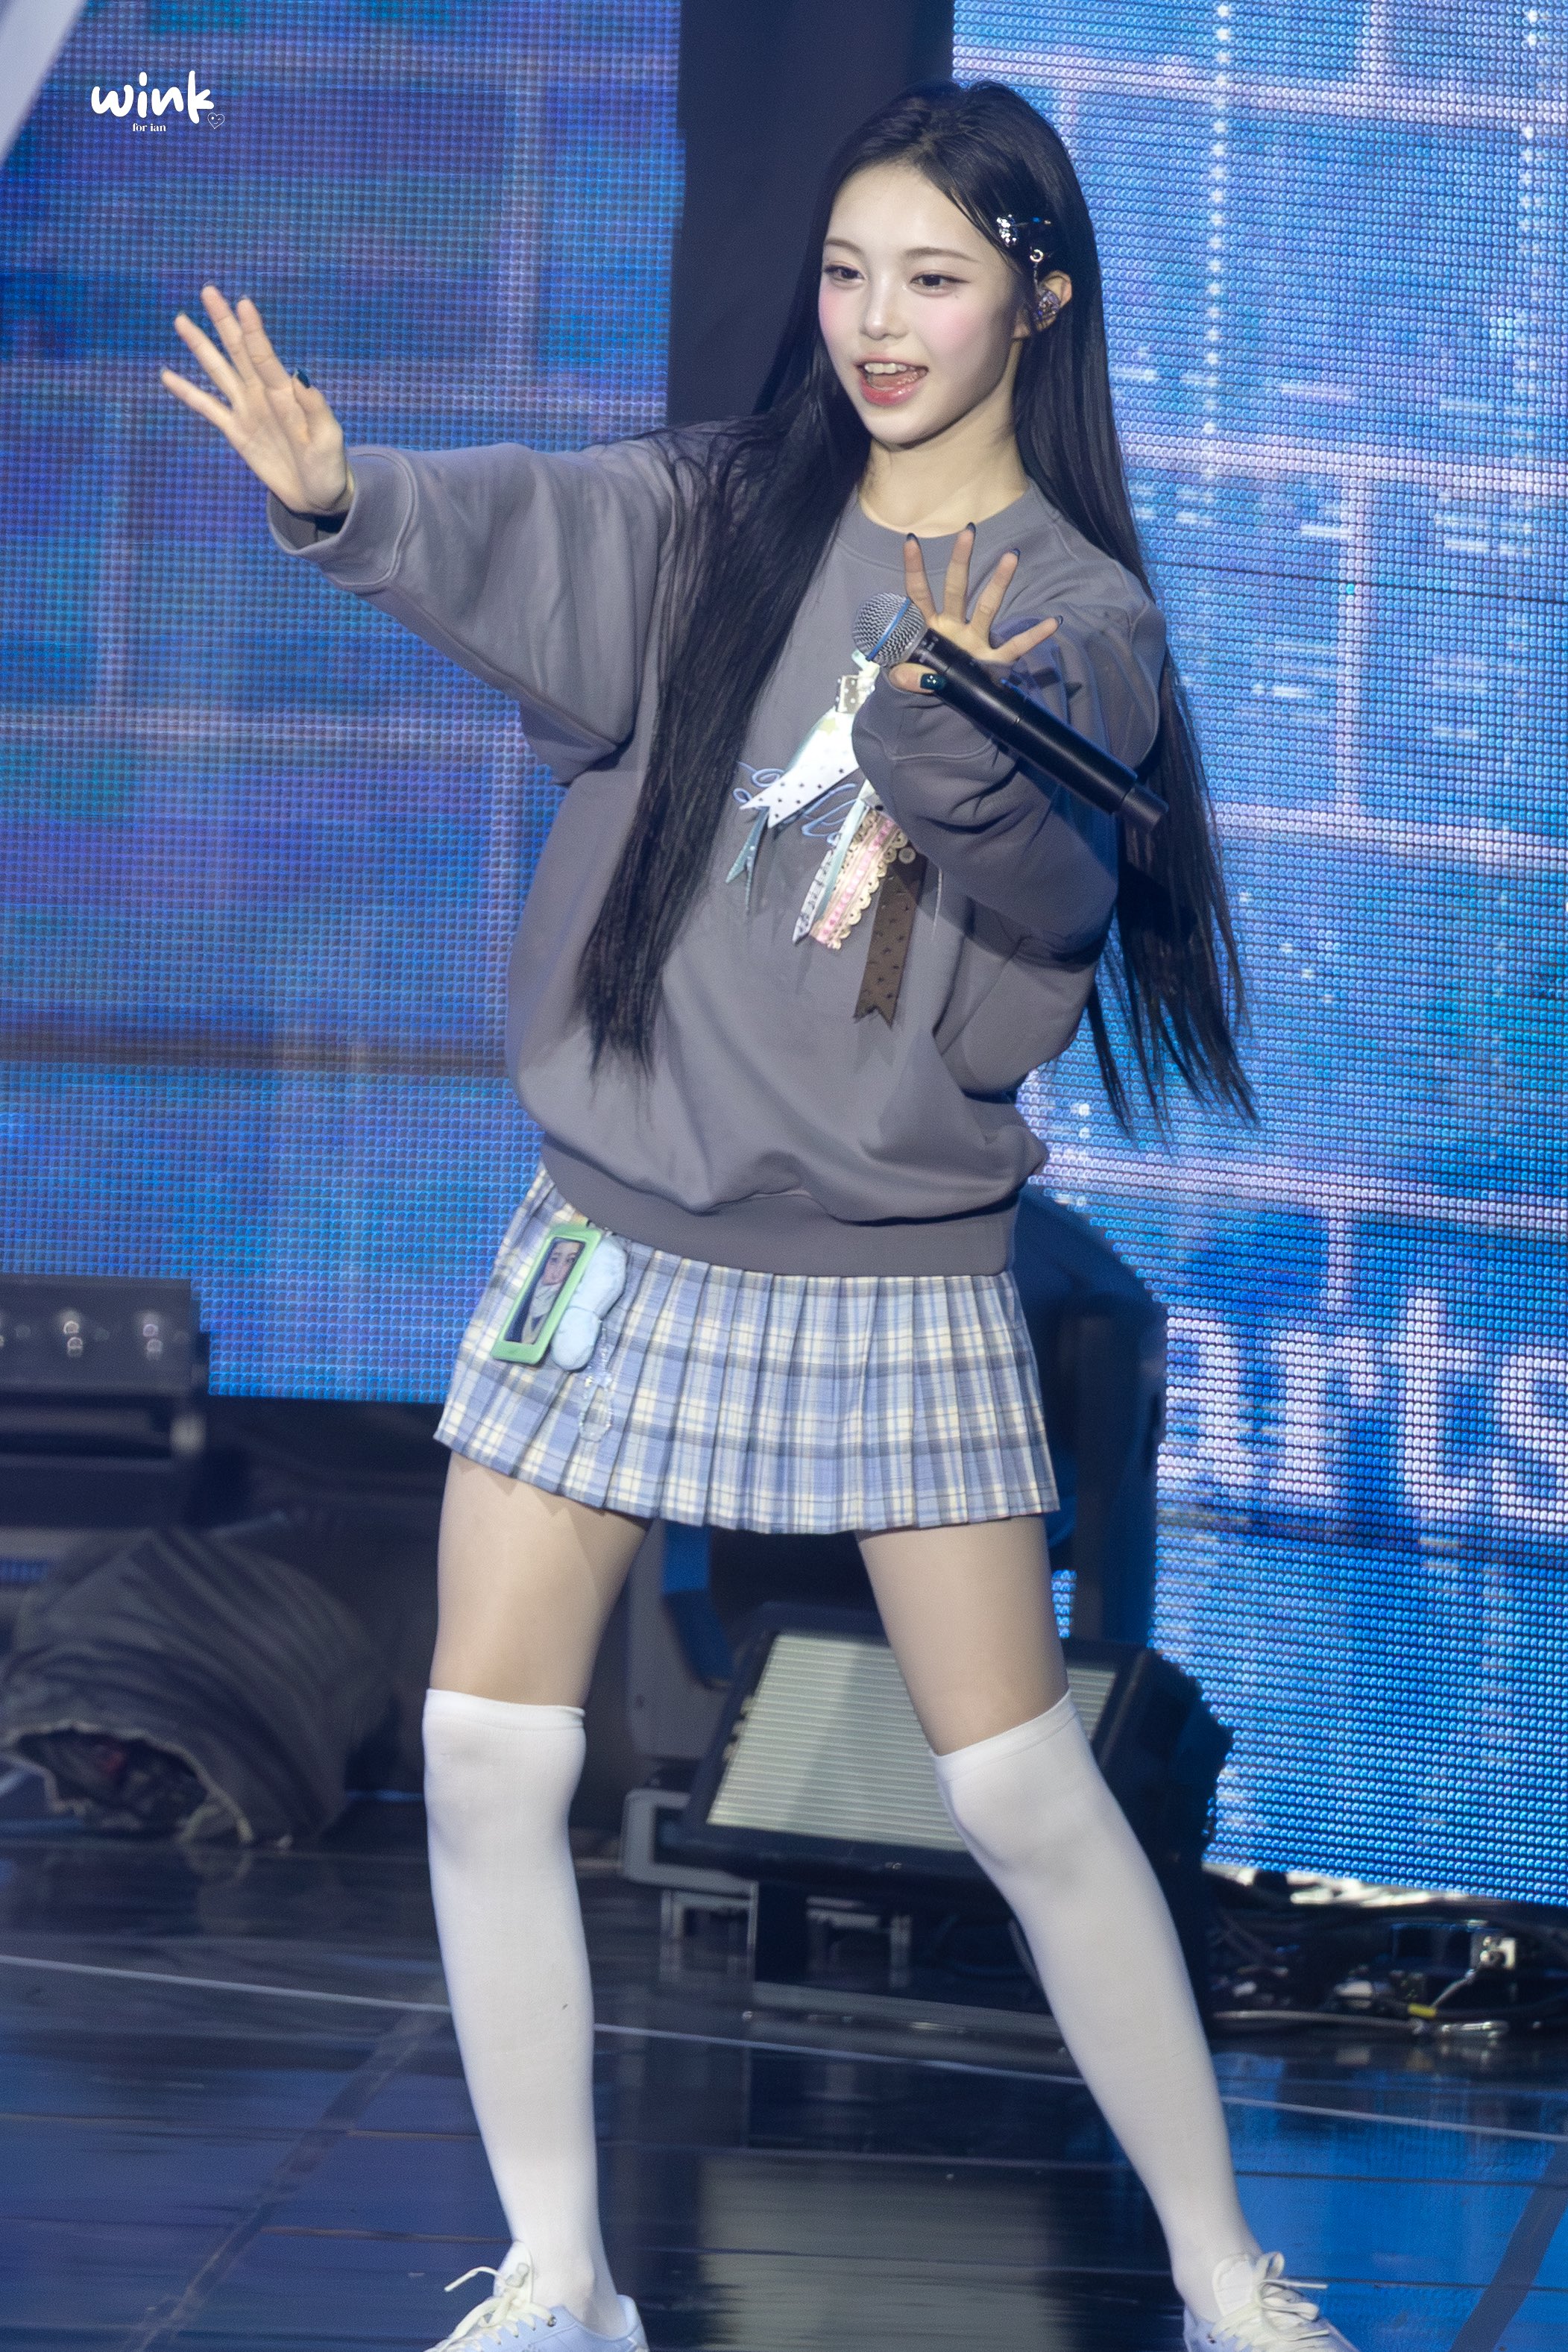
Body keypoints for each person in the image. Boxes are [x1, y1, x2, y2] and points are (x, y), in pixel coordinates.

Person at [161, 77, 1351, 2352]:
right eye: (846, 272)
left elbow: (1047, 894)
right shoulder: (722, 512)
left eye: (934, 279)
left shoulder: (1076, 616)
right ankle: (560, 2279)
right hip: (614, 1229)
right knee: (486, 1745)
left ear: (1037, 302)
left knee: (1017, 1783)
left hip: (883, 1270)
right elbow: (530, 531)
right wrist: (345, 499)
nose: (878, 323)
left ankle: (1229, 2279)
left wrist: (946, 743)